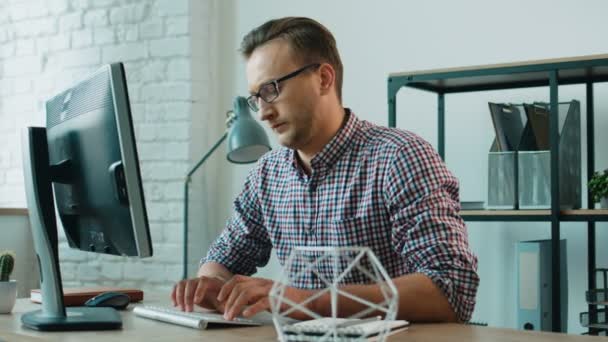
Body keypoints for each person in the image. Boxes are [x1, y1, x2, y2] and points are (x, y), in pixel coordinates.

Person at [171, 16, 479, 323]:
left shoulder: (400, 157)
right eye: (256, 98)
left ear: (323, 79)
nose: (263, 112)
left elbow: (451, 289)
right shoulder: (267, 174)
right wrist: (210, 286)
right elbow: (220, 261)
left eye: (271, 89)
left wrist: (297, 300)